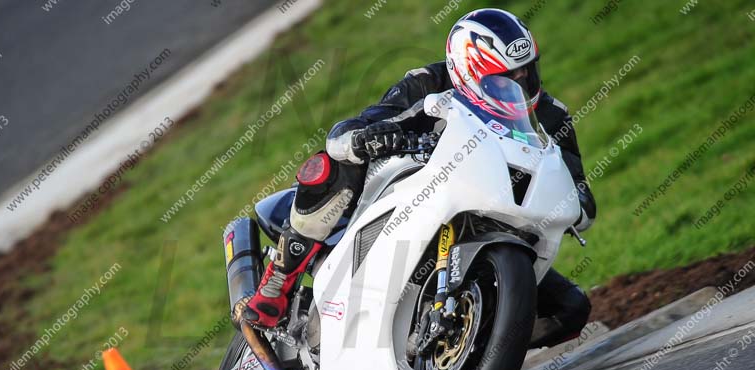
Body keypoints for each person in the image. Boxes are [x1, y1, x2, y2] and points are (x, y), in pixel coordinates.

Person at [243, 8, 596, 348]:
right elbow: (358, 127)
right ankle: (278, 281)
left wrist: (571, 204)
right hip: (416, 196)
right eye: (506, 78)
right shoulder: (428, 83)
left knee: (571, 309)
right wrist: (367, 136)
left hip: (500, 219)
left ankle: (482, 353)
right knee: (330, 164)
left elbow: (579, 190)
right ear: (469, 74)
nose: (520, 84)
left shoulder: (551, 115)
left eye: (526, 72)